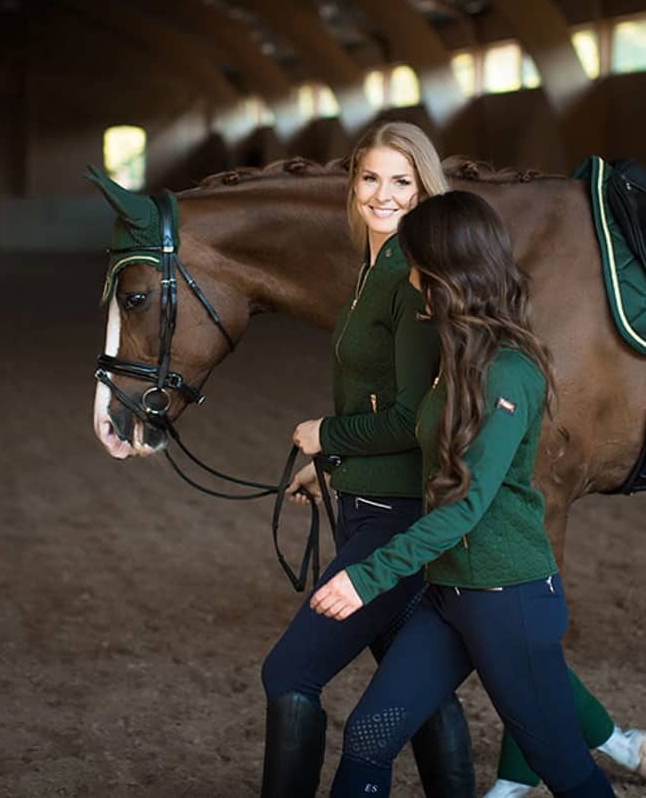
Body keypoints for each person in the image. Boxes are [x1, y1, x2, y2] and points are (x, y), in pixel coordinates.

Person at [310, 190, 623, 797]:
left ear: (448, 274)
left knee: (565, 770)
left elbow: (465, 505)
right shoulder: (457, 356)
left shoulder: (509, 370)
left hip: (510, 601)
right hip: (450, 595)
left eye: (419, 265)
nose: (413, 278)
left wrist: (365, 578)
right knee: (370, 735)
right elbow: (423, 447)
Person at [259, 122, 474, 797]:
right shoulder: (373, 267)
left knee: (290, 674)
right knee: (413, 688)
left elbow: (415, 417)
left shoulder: (410, 279)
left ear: (423, 190)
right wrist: (326, 468)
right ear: (353, 185)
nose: (383, 194)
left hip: (395, 516)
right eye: (371, 178)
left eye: (401, 182)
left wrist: (329, 435)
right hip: (366, 502)